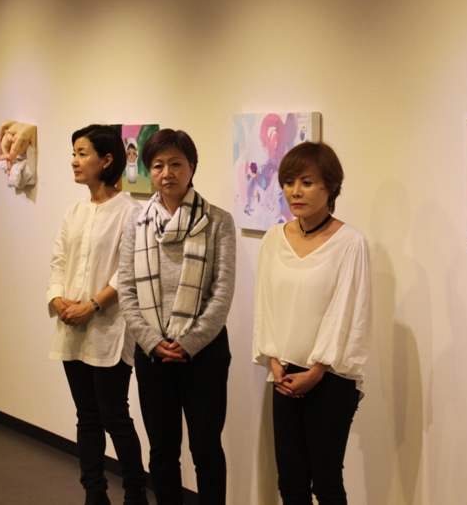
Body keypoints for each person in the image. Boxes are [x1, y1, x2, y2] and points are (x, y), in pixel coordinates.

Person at [117, 129, 235, 505]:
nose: (167, 173)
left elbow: (222, 292)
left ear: (192, 167)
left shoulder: (218, 221)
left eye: (175, 164)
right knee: (163, 451)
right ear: (149, 171)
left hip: (205, 354)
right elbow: (126, 290)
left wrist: (188, 341)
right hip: (153, 354)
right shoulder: (136, 224)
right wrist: (153, 342)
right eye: (157, 165)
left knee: (206, 449)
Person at [252, 141, 372, 505]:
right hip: (284, 373)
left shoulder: (350, 242)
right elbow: (265, 304)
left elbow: (348, 313)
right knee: (290, 482)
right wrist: (274, 360)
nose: (295, 191)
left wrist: (317, 370)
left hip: (330, 377)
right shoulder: (274, 238)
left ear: (330, 186)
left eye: (307, 182)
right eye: (289, 182)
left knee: (326, 482)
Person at [46, 125, 148, 505]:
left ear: (106, 160)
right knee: (86, 416)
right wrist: (59, 300)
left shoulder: (131, 212)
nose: (74, 161)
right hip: (71, 324)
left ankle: (135, 492)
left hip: (110, 327)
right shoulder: (73, 212)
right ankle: (94, 493)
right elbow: (58, 262)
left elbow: (128, 270)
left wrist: (92, 304)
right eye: (73, 153)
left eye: (82, 153)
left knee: (114, 416)